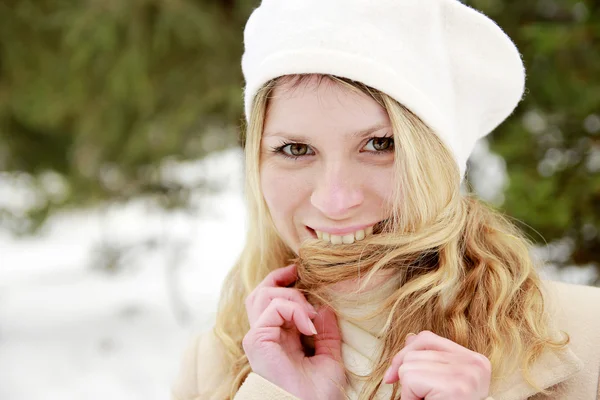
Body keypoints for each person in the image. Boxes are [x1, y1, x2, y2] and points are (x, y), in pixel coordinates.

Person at [172, 0, 600, 399]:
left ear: (438, 160)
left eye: (380, 144)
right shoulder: (211, 368)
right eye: (296, 150)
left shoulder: (588, 337)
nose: (336, 201)